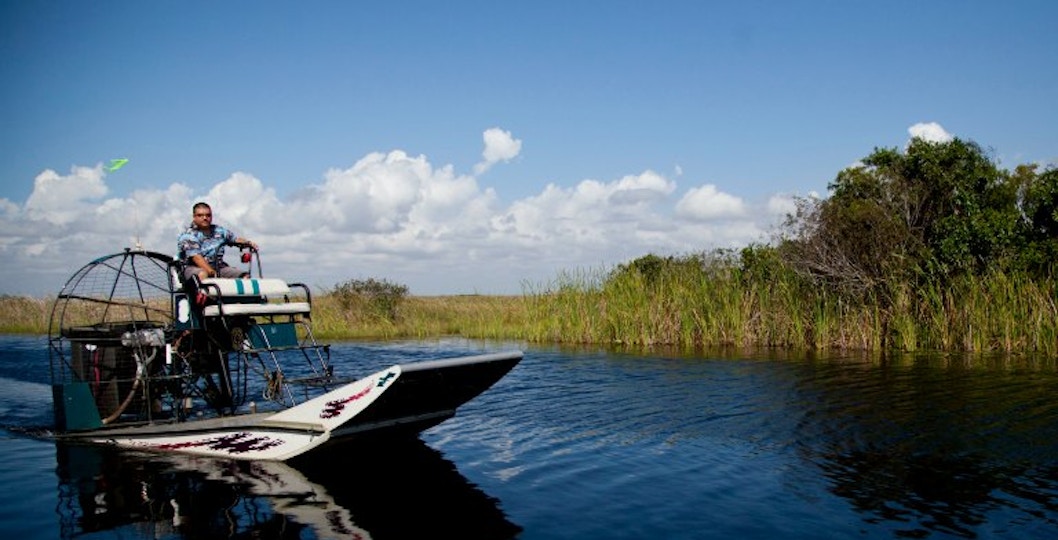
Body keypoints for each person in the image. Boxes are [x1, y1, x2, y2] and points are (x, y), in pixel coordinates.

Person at [177, 202, 258, 282]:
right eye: (200, 215)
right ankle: (201, 295)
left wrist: (248, 243)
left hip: (219, 267)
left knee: (244, 276)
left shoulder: (219, 231)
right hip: (193, 268)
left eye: (208, 215)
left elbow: (235, 239)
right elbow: (197, 258)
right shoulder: (188, 236)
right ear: (194, 217)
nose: (205, 218)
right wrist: (212, 273)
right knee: (203, 274)